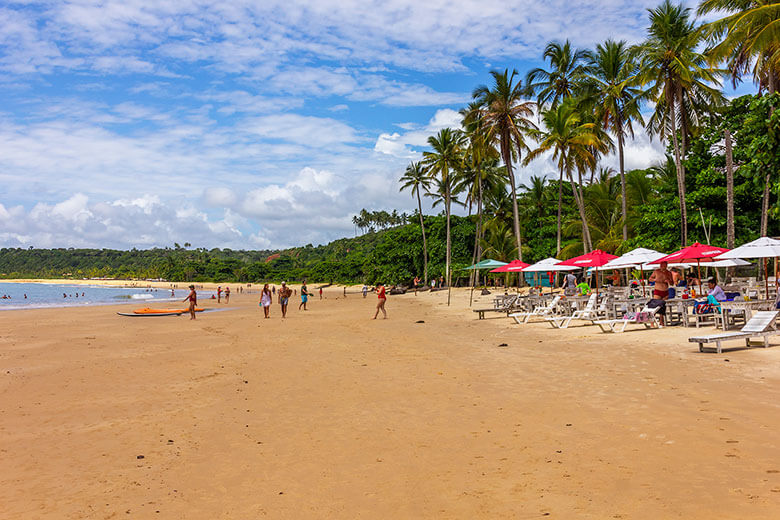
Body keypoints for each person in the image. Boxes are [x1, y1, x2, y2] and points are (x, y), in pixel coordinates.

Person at [649, 261, 674, 325]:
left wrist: (669, 281)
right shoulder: (656, 272)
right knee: (655, 306)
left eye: (664, 265)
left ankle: (661, 322)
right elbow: (650, 279)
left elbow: (672, 283)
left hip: (665, 291)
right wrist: (655, 280)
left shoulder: (669, 273)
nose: (663, 267)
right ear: (660, 265)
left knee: (662, 307)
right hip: (658, 290)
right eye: (662, 265)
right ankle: (652, 322)